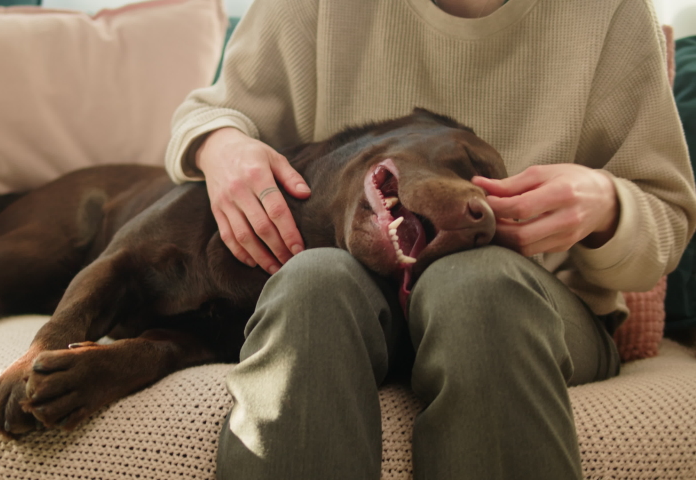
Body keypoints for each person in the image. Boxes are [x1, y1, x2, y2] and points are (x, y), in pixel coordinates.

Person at [164, 0, 696, 478]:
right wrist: (221, 146)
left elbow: (667, 218)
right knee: (311, 282)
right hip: (347, 287)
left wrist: (608, 206)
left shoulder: (614, 12)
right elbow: (213, 115)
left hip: (536, 307)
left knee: (475, 286)